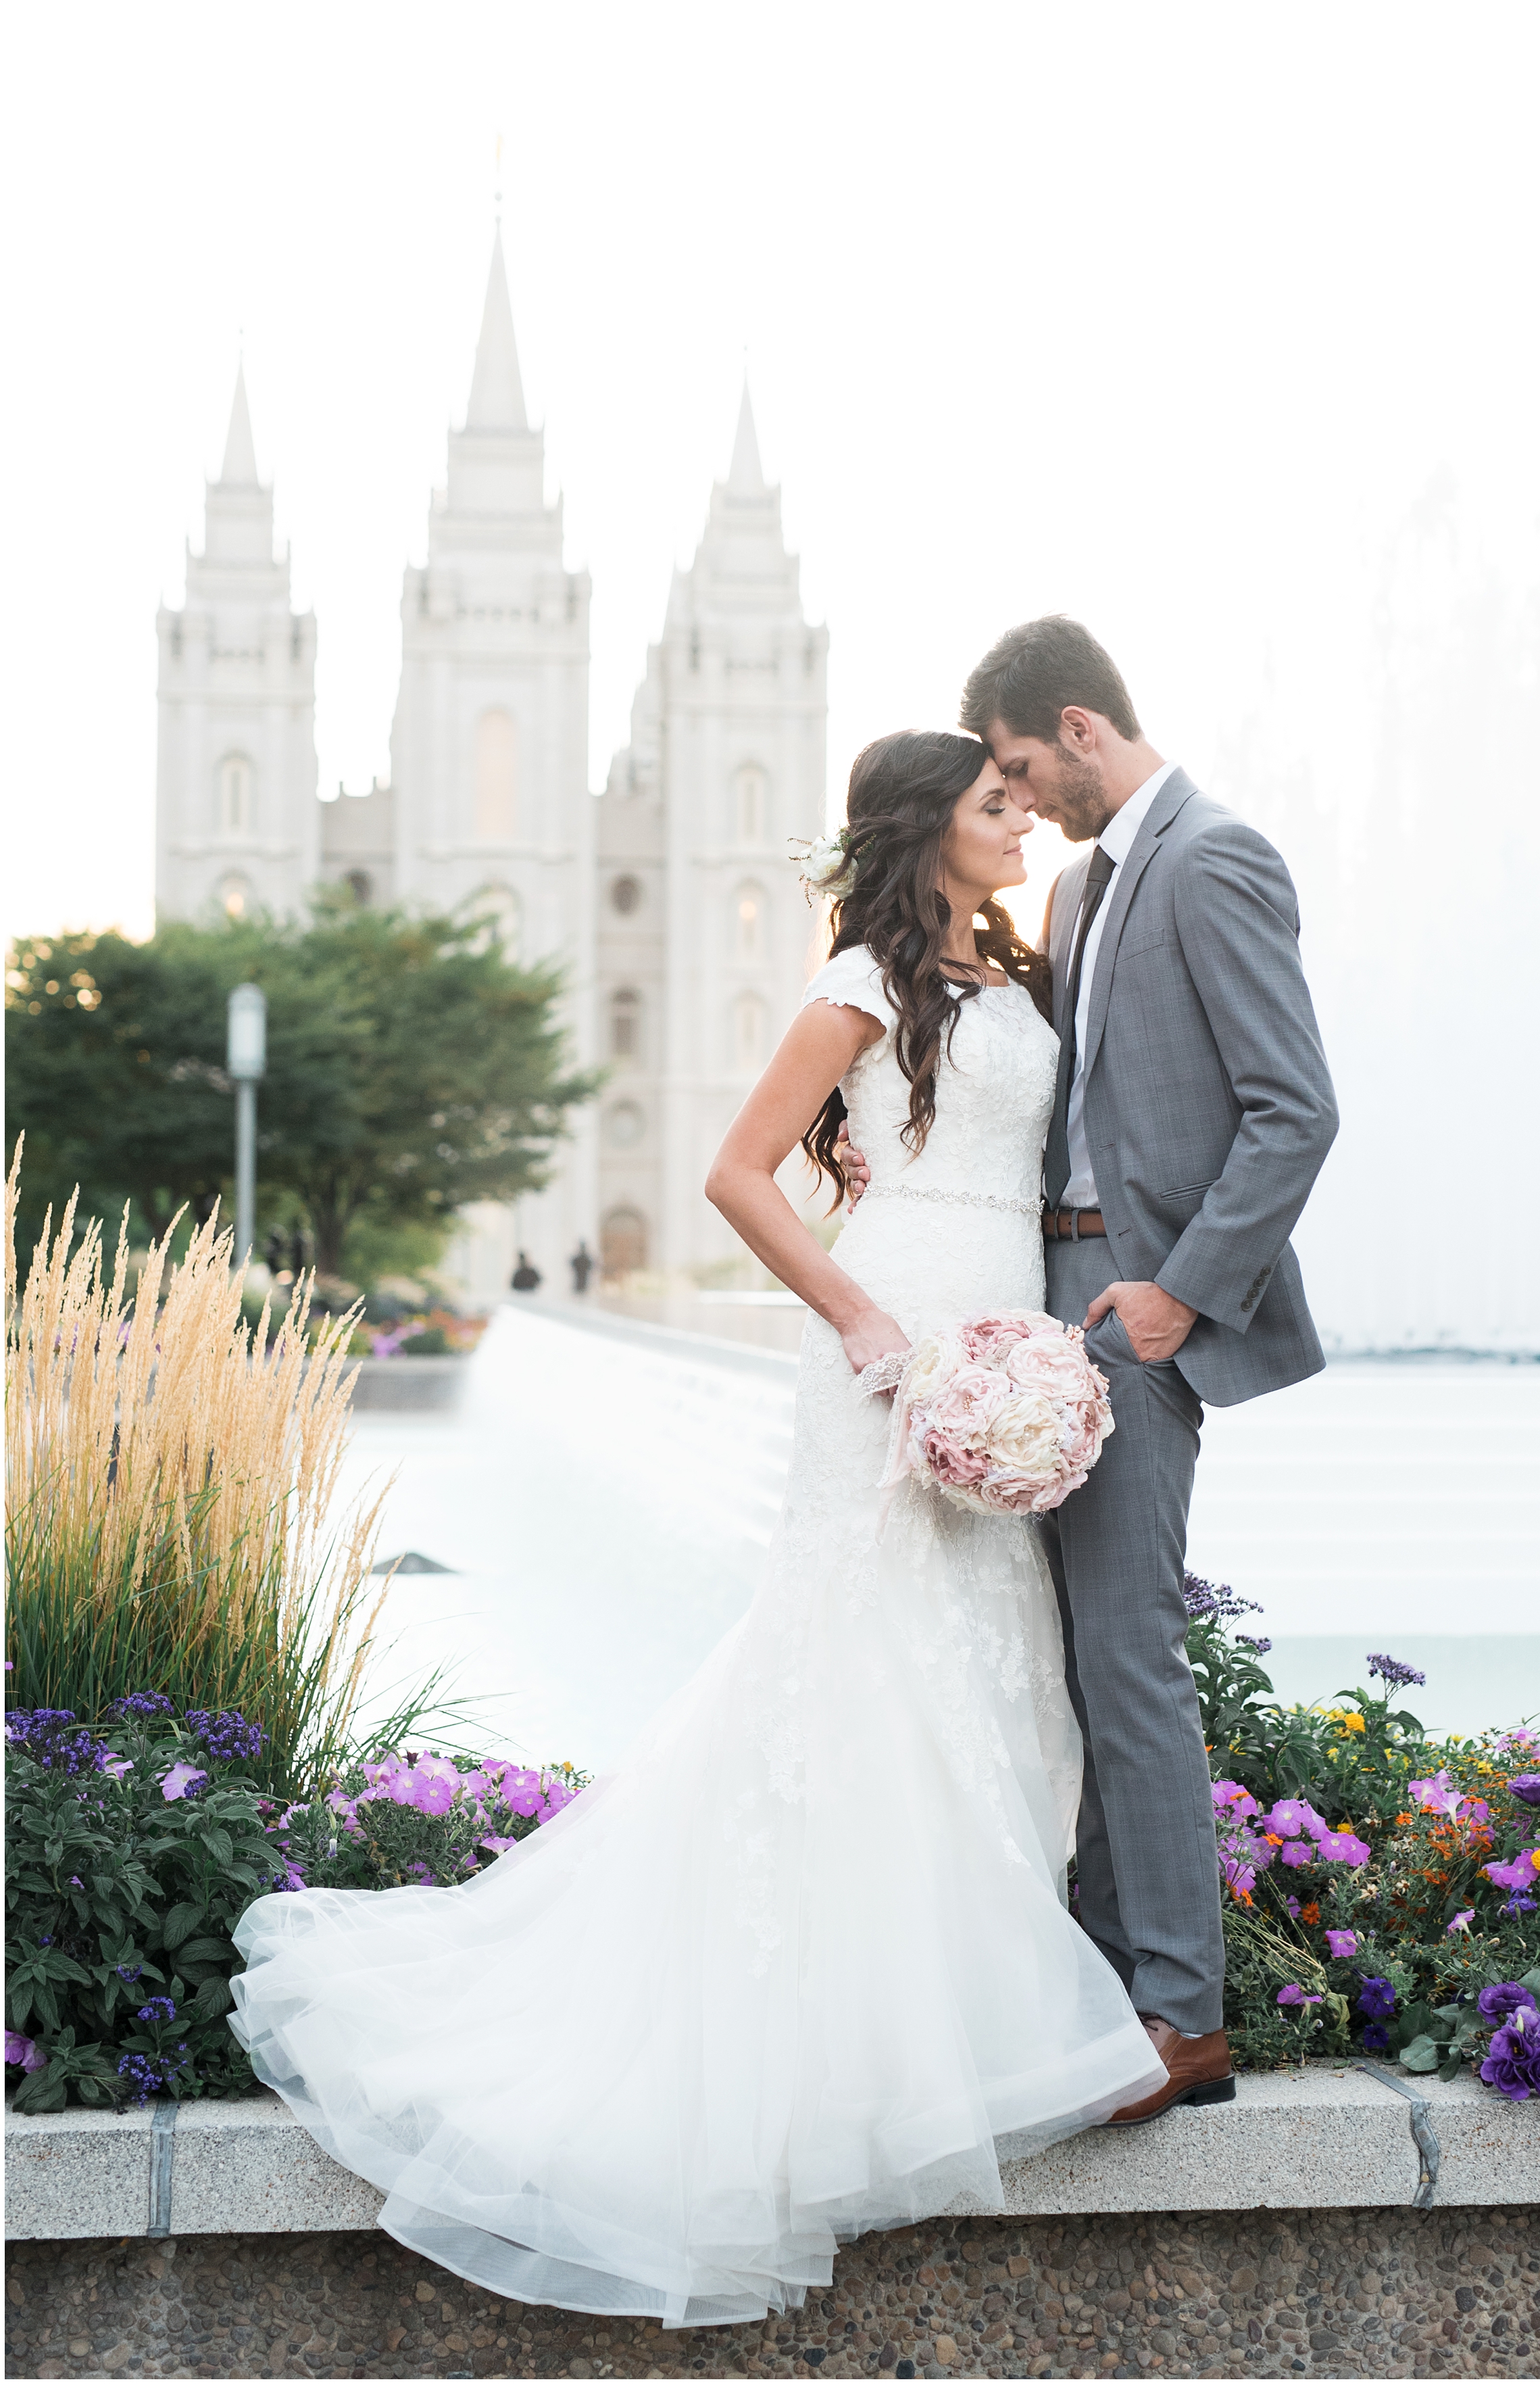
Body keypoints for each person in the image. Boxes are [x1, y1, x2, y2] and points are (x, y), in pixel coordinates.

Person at [228, 727, 1167, 2329]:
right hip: (888, 1337)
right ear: (923, 827)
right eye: (993, 803)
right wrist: (869, 1326)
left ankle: (954, 2018)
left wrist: (1016, 1357)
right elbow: (736, 1174)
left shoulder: (1021, 967)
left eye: (1023, 798)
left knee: (988, 1657)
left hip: (999, 1328)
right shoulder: (866, 978)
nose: (1020, 822)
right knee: (864, 1659)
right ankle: (841, 2039)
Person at [844, 617, 1339, 2118]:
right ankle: (1109, 1981)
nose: (1013, 799)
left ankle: (1179, 2018)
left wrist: (1179, 1299)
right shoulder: (1075, 884)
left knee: (1126, 1651)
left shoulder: (1213, 857)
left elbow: (1290, 1111)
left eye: (1010, 770)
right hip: (1039, 1303)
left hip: (1131, 1312)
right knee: (1076, 1655)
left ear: (1073, 726)